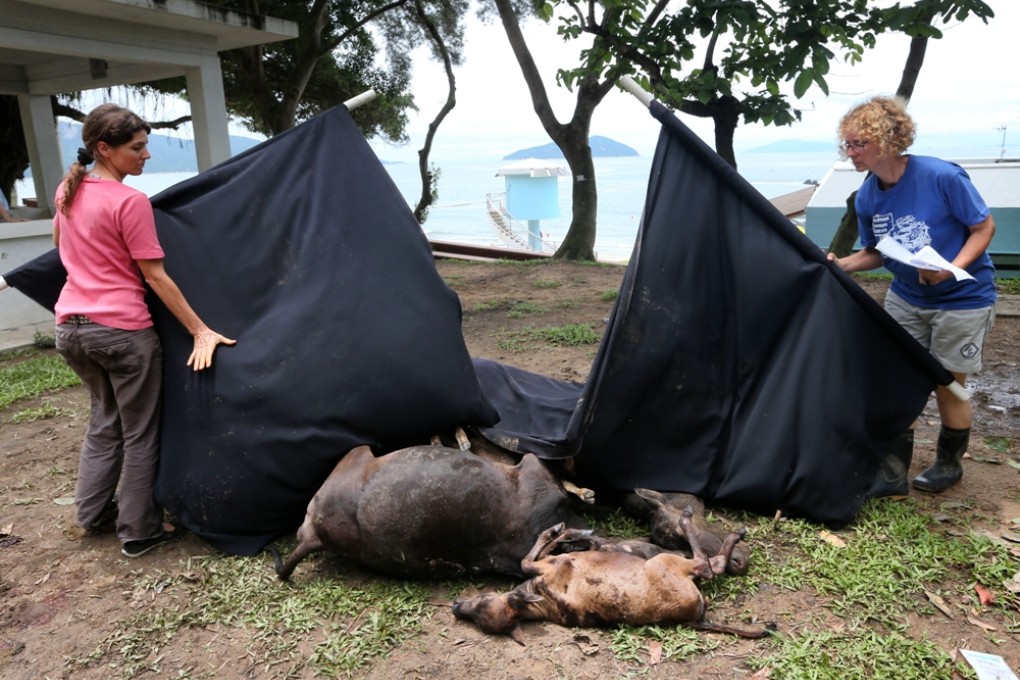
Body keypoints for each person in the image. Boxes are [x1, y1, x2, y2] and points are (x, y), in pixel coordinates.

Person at [53, 103, 236, 557]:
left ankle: (91, 515)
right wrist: (200, 330)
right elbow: (155, 275)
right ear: (104, 149)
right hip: (121, 332)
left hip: (71, 329)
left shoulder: (67, 192)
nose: (146, 156)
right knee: (138, 432)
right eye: (137, 148)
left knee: (103, 422)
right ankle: (139, 531)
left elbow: (61, 249)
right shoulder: (129, 201)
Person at [828, 95, 996, 498]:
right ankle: (891, 474)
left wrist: (950, 267)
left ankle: (948, 464)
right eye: (846, 145)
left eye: (857, 144)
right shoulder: (868, 195)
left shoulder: (941, 177)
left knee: (947, 384)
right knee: (895, 381)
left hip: (963, 300)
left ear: (885, 141)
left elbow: (983, 228)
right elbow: (875, 251)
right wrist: (840, 265)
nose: (850, 153)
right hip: (906, 299)